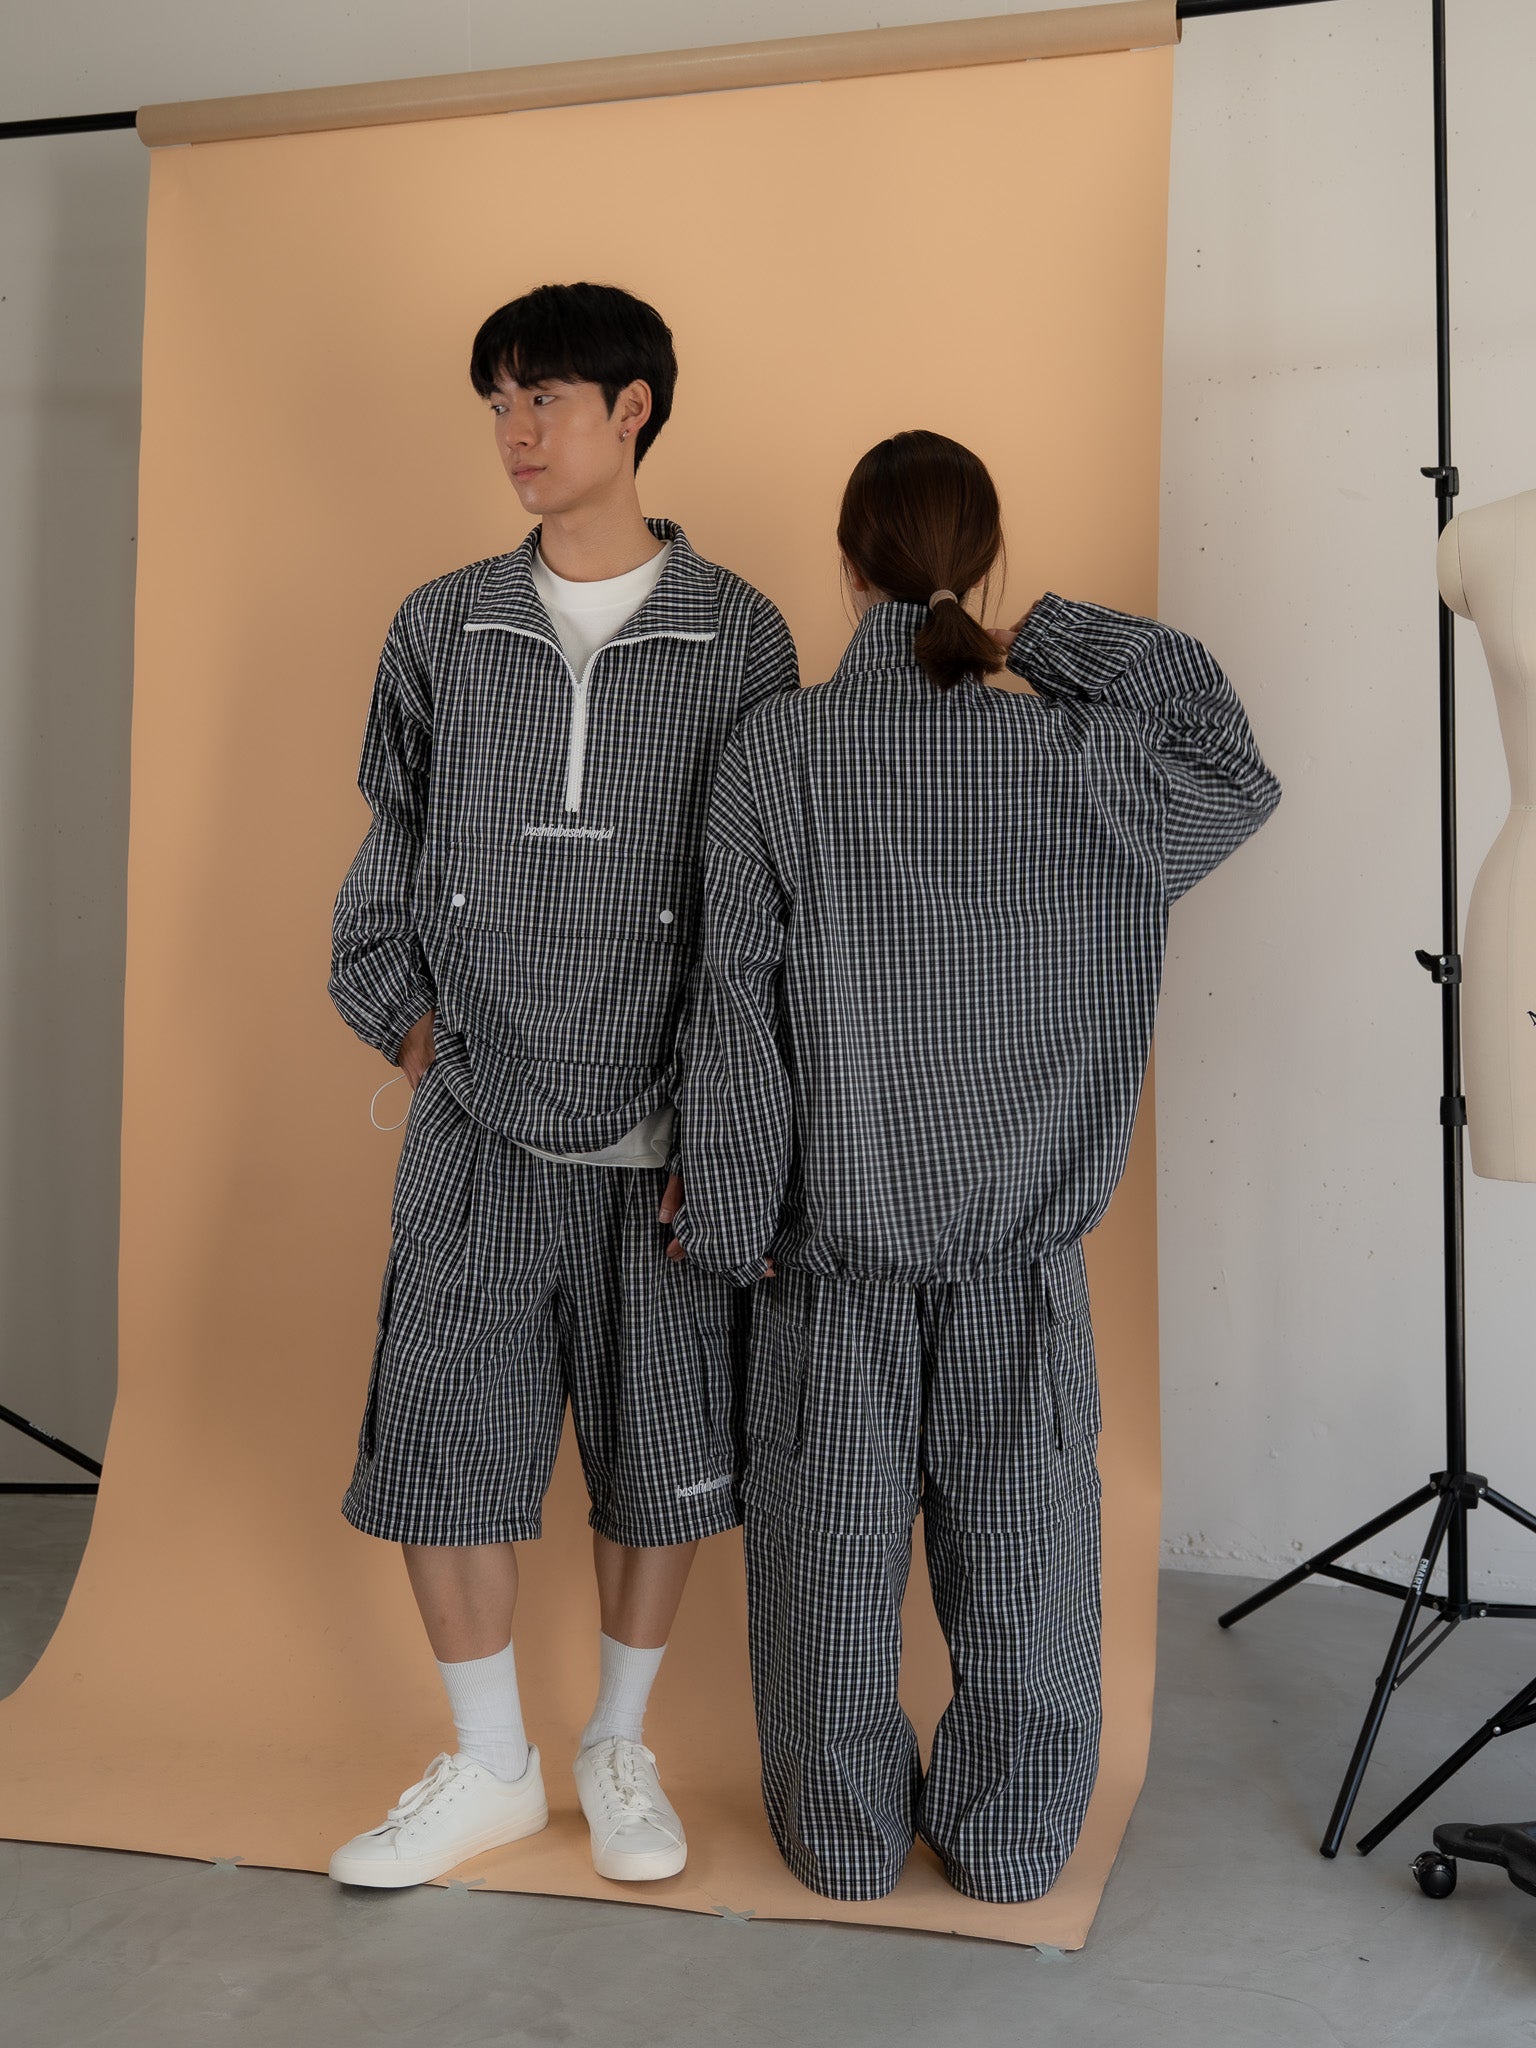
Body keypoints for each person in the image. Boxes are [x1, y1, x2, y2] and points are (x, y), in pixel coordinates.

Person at [669, 429, 1280, 1904]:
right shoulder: (1088, 765)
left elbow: (735, 1012)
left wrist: (734, 1219)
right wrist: (1038, 642)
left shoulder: (778, 753)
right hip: (1020, 1261)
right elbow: (1233, 763)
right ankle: (1012, 1845)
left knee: (826, 1567)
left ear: (845, 562)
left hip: (829, 1256)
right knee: (1026, 1562)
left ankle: (841, 1840)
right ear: (989, 563)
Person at [326, 281, 798, 1890]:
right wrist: (409, 1025)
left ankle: (617, 1747)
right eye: (499, 404)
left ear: (633, 411)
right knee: (442, 1437)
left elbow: (757, 902)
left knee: (661, 1449)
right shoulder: (441, 624)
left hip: (664, 1134)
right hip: (476, 1123)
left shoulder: (738, 632)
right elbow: (389, 840)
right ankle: (489, 1766)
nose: (516, 434)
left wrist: (728, 1127)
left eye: (545, 400)